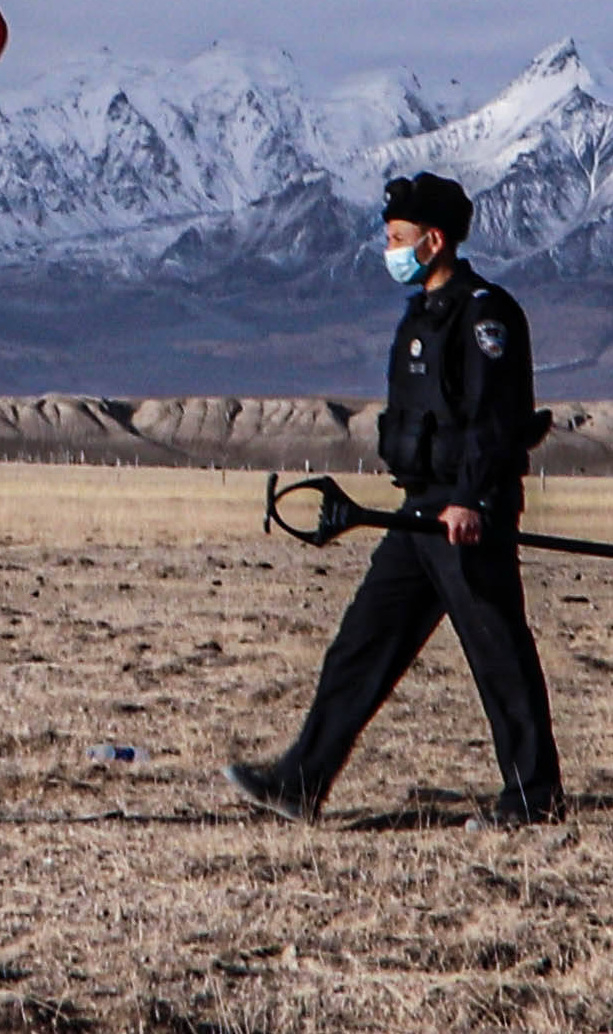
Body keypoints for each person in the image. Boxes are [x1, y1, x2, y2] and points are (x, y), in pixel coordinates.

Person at [231, 170, 562, 824]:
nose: (390, 248)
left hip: (466, 515)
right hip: (415, 511)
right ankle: (300, 783)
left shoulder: (483, 314)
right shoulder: (422, 316)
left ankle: (532, 798)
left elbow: (496, 421)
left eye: (399, 237)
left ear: (434, 240)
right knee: (362, 644)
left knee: (498, 654)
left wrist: (471, 500)